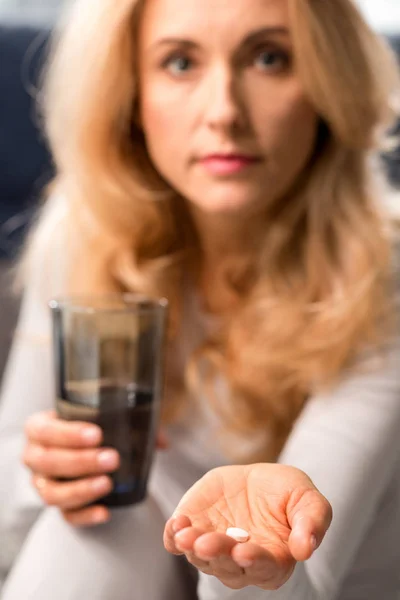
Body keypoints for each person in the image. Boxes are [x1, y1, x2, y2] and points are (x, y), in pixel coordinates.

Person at [0, 0, 399, 598]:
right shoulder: (86, 234)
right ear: (130, 93)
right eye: (180, 63)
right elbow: (10, 520)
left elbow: (307, 578)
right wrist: (48, 477)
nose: (225, 112)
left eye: (270, 58)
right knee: (89, 525)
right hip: (132, 568)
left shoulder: (384, 272)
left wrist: (255, 553)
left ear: (327, 84)